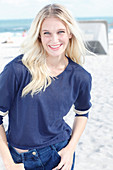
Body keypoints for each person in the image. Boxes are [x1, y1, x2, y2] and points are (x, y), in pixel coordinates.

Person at [0, 4, 92, 170]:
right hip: (17, 160)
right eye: (46, 33)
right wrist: (8, 162)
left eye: (60, 32)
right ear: (39, 36)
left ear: (70, 33)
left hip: (56, 156)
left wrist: (70, 148)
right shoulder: (17, 69)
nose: (54, 39)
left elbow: (82, 112)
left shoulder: (80, 76)